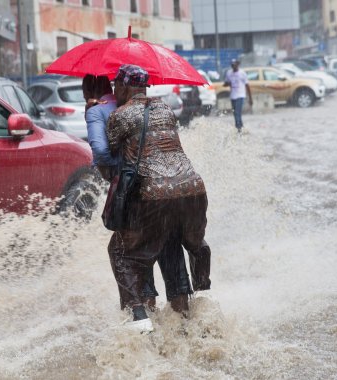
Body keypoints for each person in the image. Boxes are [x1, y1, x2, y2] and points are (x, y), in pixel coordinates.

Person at [106, 64, 212, 333]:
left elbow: (110, 163)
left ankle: (140, 318)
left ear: (126, 86)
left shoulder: (119, 116)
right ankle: (196, 304)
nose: (114, 91)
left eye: (116, 85)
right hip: (192, 189)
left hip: (153, 195)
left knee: (123, 252)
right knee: (173, 242)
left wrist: (93, 111)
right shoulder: (165, 108)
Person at [82, 75, 193, 314]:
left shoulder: (102, 113)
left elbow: (102, 152)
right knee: (170, 247)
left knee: (125, 254)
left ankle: (141, 325)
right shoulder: (160, 107)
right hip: (179, 188)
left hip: (141, 195)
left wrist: (118, 171)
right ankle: (183, 322)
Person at [224, 59, 253, 132]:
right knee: (235, 113)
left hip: (240, 95)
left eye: (234, 65)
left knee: (237, 112)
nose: (233, 66)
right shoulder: (229, 73)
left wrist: (250, 98)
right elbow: (226, 83)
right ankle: (241, 127)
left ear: (238, 65)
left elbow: (247, 86)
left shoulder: (242, 73)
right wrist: (227, 84)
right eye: (232, 65)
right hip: (233, 96)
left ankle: (238, 129)